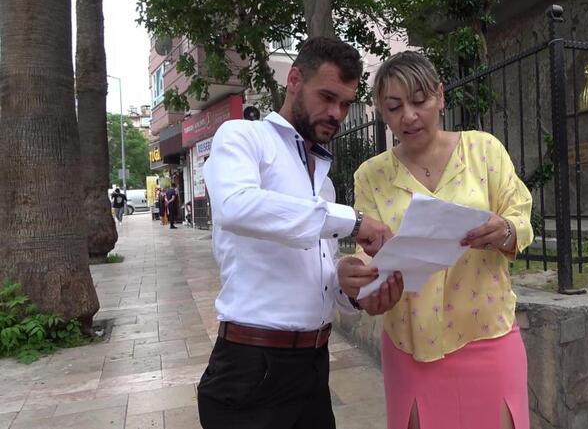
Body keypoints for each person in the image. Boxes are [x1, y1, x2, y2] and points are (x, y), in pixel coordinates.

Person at [197, 36, 404, 429]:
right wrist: (353, 221)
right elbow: (235, 206)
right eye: (326, 97)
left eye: (345, 104)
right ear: (294, 80)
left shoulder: (323, 184)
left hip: (313, 365)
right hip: (251, 365)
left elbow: (317, 280)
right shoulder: (243, 137)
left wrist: (350, 288)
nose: (336, 113)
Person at [337, 51, 535, 429]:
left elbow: (520, 216)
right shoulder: (371, 176)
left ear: (441, 96)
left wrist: (505, 230)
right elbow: (369, 252)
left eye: (420, 100)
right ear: (381, 112)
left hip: (487, 335)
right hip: (411, 344)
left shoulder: (484, 150)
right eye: (394, 107)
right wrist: (357, 274)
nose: (409, 116)